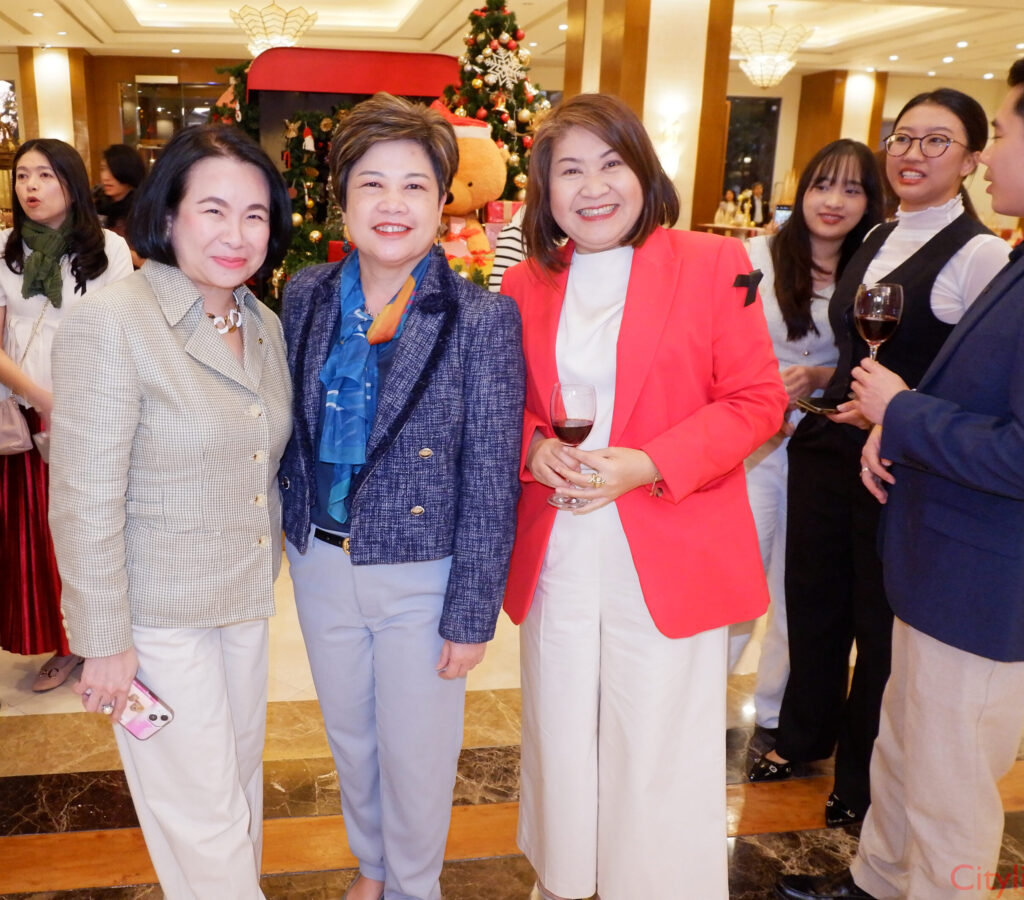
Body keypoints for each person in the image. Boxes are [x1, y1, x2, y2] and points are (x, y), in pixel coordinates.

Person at [776, 45, 1024, 900]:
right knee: (906, 752)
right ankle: (876, 880)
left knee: (949, 792)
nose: (988, 155)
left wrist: (900, 412)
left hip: (988, 587)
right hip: (941, 565)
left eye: (995, 133)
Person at [500, 92, 784, 900]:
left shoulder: (712, 263)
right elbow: (499, 405)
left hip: (668, 532)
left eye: (611, 164)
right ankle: (566, 878)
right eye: (569, 171)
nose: (592, 187)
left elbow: (757, 400)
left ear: (644, 172)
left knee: (655, 733)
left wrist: (649, 462)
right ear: (545, 191)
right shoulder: (523, 283)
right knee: (561, 725)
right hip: (561, 539)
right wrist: (535, 447)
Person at [278, 93, 524, 900]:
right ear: (342, 200)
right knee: (351, 738)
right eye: (372, 184)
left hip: (423, 569)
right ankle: (374, 868)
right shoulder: (306, 294)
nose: (393, 204)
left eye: (414, 185)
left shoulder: (481, 318)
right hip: (320, 558)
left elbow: (490, 474)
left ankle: (416, 886)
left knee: (417, 751)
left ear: (443, 199)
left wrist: (470, 614)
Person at [749, 88, 1012, 830]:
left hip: (896, 465)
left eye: (937, 141)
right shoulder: (878, 234)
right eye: (903, 138)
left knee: (876, 623)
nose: (913, 154)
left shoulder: (980, 252)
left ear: (970, 159)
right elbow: (855, 348)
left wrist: (898, 408)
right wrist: (819, 376)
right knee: (812, 601)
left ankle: (861, 778)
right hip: (826, 446)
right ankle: (803, 735)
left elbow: (983, 378)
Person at [50, 123, 292, 900]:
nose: (236, 234)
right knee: (200, 811)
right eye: (213, 210)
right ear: (168, 215)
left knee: (238, 785)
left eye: (254, 215)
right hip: (156, 619)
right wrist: (103, 640)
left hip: (241, 600)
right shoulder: (113, 321)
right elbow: (84, 494)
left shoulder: (262, 324)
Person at [0, 138, 134, 692]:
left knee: (93, 531)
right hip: (26, 416)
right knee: (34, 537)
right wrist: (44, 400)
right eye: (22, 176)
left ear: (71, 181)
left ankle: (102, 637)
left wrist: (81, 403)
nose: (31, 187)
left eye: (44, 175)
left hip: (93, 413)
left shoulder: (109, 249)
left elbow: (122, 335)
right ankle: (61, 644)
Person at [735, 139, 885, 732]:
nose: (833, 201)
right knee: (739, 578)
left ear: (870, 201)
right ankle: (691, 707)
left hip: (826, 447)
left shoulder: (874, 268)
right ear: (801, 193)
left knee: (801, 591)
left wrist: (822, 377)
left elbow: (869, 356)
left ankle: (778, 714)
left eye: (852, 189)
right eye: (822, 185)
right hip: (754, 444)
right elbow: (718, 341)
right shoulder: (756, 257)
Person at [93, 142, 147, 241]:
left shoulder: (141, 210)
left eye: (113, 170)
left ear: (128, 172)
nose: (105, 177)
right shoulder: (97, 204)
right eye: (103, 169)